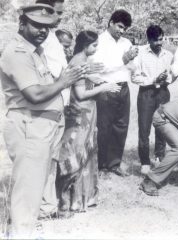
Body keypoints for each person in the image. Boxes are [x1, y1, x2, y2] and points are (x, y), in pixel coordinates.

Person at [0, 4, 85, 237]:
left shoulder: (34, 51)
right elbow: (34, 94)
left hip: (40, 125)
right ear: (22, 24)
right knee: (27, 189)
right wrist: (64, 82)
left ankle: (24, 230)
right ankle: (20, 233)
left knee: (34, 185)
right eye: (36, 25)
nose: (42, 31)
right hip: (30, 125)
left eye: (46, 27)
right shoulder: (18, 52)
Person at [58, 31, 121, 213]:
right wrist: (104, 87)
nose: (96, 48)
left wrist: (94, 79)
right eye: (94, 45)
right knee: (77, 152)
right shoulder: (78, 62)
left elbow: (84, 80)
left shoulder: (83, 60)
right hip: (80, 114)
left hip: (88, 111)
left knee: (86, 150)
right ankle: (72, 200)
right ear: (85, 45)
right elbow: (80, 94)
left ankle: (84, 198)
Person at [34, 0, 70, 219]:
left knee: (52, 160)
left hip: (58, 107)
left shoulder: (53, 40)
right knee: (42, 159)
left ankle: (48, 206)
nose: (60, 17)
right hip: (44, 108)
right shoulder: (38, 41)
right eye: (58, 13)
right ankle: (39, 206)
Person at [91, 9, 138, 176]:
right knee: (104, 127)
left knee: (121, 126)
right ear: (111, 22)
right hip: (106, 87)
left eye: (125, 28)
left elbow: (131, 65)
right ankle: (102, 165)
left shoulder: (126, 43)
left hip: (123, 87)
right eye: (119, 26)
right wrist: (122, 61)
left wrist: (134, 67)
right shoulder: (99, 41)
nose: (122, 31)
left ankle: (115, 164)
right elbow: (99, 67)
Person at [132, 25, 174, 174]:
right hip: (146, 93)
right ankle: (144, 162)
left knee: (162, 126)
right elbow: (135, 77)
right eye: (155, 40)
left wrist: (166, 79)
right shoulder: (140, 54)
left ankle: (159, 157)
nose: (159, 43)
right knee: (144, 128)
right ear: (149, 40)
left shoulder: (168, 55)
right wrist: (153, 79)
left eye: (161, 39)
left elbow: (171, 75)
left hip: (163, 92)